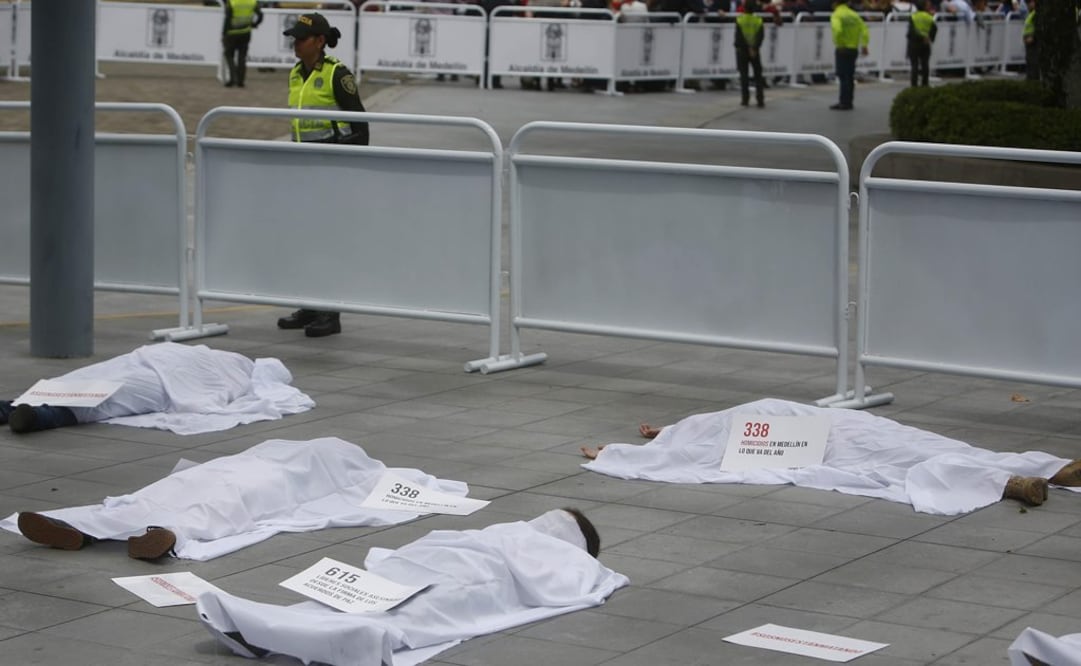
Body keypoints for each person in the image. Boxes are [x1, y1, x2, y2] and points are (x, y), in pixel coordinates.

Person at [196, 508, 629, 665]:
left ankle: (270, 626)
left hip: (453, 565)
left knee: (388, 602)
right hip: (456, 567)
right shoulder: (529, 539)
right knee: (399, 605)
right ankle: (283, 632)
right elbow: (571, 585)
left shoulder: (526, 537)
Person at [580, 398, 1081, 516]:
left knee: (904, 454)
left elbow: (688, 446)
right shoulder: (707, 432)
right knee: (908, 454)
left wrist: (624, 450)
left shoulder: (712, 428)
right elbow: (689, 445)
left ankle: (1025, 475)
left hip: (837, 430)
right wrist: (633, 446)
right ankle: (1027, 474)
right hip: (837, 432)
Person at [2, 437, 470, 561]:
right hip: (253, 467)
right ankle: (87, 526)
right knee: (193, 490)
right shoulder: (336, 456)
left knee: (224, 497)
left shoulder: (355, 466)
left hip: (267, 475)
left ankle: (156, 532)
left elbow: (342, 487)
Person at [276, 13, 371, 338]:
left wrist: (344, 166)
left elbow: (361, 129)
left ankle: (330, 313)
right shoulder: (295, 74)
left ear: (318, 41)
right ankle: (310, 305)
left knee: (328, 242)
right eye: (294, 38)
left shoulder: (337, 75)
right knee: (304, 240)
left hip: (331, 172)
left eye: (301, 38)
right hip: (303, 171)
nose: (295, 43)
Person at [0, 342, 313, 435]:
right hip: (157, 370)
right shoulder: (238, 369)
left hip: (154, 367)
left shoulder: (231, 364)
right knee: (110, 395)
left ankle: (17, 408)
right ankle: (39, 415)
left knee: (95, 383)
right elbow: (215, 390)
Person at [829, 0, 869, 110]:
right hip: (853, 48)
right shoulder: (854, 15)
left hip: (842, 48)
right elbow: (864, 29)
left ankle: (843, 102)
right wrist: (864, 44)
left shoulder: (837, 14)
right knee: (850, 76)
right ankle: (849, 101)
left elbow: (837, 30)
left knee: (842, 76)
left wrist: (839, 43)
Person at [222, 0, 264, 88]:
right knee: (242, 56)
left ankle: (232, 78)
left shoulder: (232, 2)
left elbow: (228, 18)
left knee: (229, 55)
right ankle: (240, 81)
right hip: (246, 32)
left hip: (231, 32)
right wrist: (254, 24)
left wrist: (224, 33)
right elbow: (260, 15)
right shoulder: (252, 1)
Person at [735, 0, 767, 107]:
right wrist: (754, 48)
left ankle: (745, 99)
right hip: (755, 51)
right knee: (758, 75)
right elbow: (760, 36)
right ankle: (760, 99)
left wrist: (747, 48)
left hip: (742, 51)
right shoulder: (758, 20)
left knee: (744, 75)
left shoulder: (740, 20)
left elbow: (739, 38)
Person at [906, 0, 937, 86]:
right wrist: (930, 38)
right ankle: (925, 83)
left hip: (914, 43)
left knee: (914, 65)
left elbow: (911, 31)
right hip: (925, 43)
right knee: (925, 64)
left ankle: (914, 84)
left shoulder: (913, 17)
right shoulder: (929, 17)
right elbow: (934, 29)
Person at [1022, 0, 1038, 80]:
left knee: (1033, 66)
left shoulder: (1036, 14)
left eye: (1029, 2)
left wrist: (1033, 38)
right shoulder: (1031, 13)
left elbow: (1038, 28)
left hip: (1033, 44)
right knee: (1030, 65)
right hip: (1029, 44)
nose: (1027, 5)